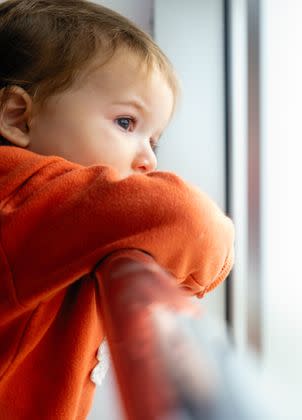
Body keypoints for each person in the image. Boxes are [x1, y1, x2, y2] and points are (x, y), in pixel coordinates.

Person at [0, 0, 235, 418]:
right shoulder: (21, 194)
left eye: (154, 141)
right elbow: (192, 223)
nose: (149, 161)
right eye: (126, 123)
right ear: (19, 118)